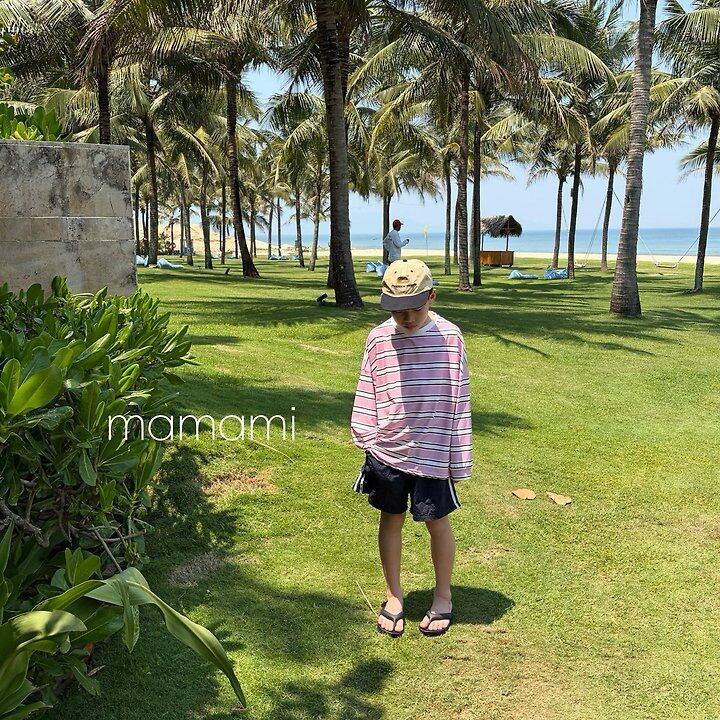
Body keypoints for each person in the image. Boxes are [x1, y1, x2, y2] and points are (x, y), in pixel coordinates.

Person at [350, 259, 473, 637]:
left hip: (433, 450)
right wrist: (367, 436)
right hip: (387, 449)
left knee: (438, 522)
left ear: (432, 297)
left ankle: (443, 596)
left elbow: (459, 397)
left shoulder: (449, 337)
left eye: (414, 309)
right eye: (397, 310)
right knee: (390, 519)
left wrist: (458, 456)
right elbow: (368, 386)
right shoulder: (378, 338)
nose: (405, 318)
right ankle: (393, 596)